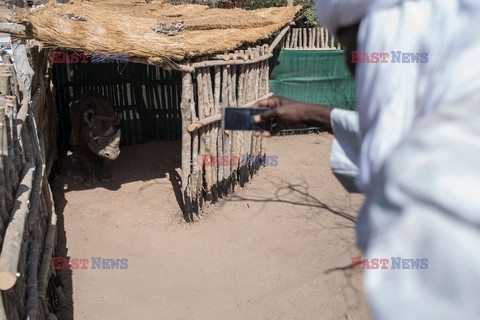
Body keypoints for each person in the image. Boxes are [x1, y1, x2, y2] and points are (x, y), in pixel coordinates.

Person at [253, 0, 480, 318]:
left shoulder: (436, 191)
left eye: (355, 53)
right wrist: (316, 115)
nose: (352, 67)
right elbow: (400, 139)